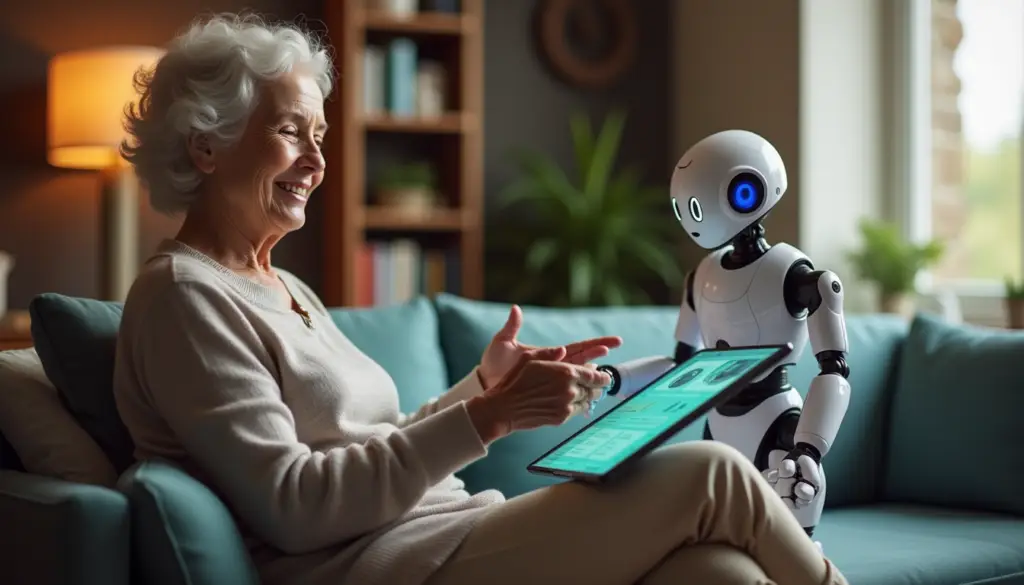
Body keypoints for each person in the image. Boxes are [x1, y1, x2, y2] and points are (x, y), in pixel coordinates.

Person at [112, 13, 848, 585]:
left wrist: (483, 385)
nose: (316, 159)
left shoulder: (281, 285)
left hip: (438, 533)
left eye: (321, 134)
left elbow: (374, 444)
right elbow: (298, 505)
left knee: (721, 573)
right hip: (385, 567)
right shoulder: (184, 300)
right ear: (206, 145)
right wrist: (491, 416)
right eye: (288, 131)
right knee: (711, 473)